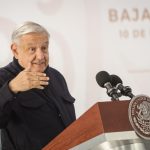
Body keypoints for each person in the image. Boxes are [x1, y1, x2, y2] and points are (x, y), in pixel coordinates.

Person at [0, 21, 76, 150]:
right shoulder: (3, 77)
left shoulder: (56, 76)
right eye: (32, 49)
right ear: (15, 50)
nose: (40, 56)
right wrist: (11, 88)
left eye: (44, 48)